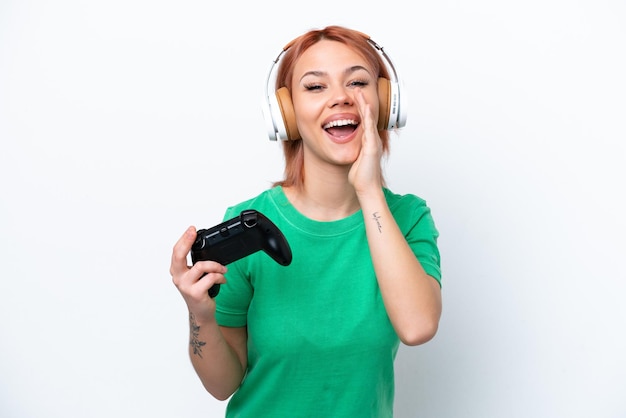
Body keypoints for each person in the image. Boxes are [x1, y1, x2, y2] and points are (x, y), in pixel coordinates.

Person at [170, 25, 442, 417]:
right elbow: (222, 384)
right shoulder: (249, 226)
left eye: (358, 82)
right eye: (315, 87)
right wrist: (200, 317)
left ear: (386, 102)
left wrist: (368, 191)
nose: (341, 98)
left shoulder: (409, 218)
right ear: (286, 113)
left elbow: (417, 327)